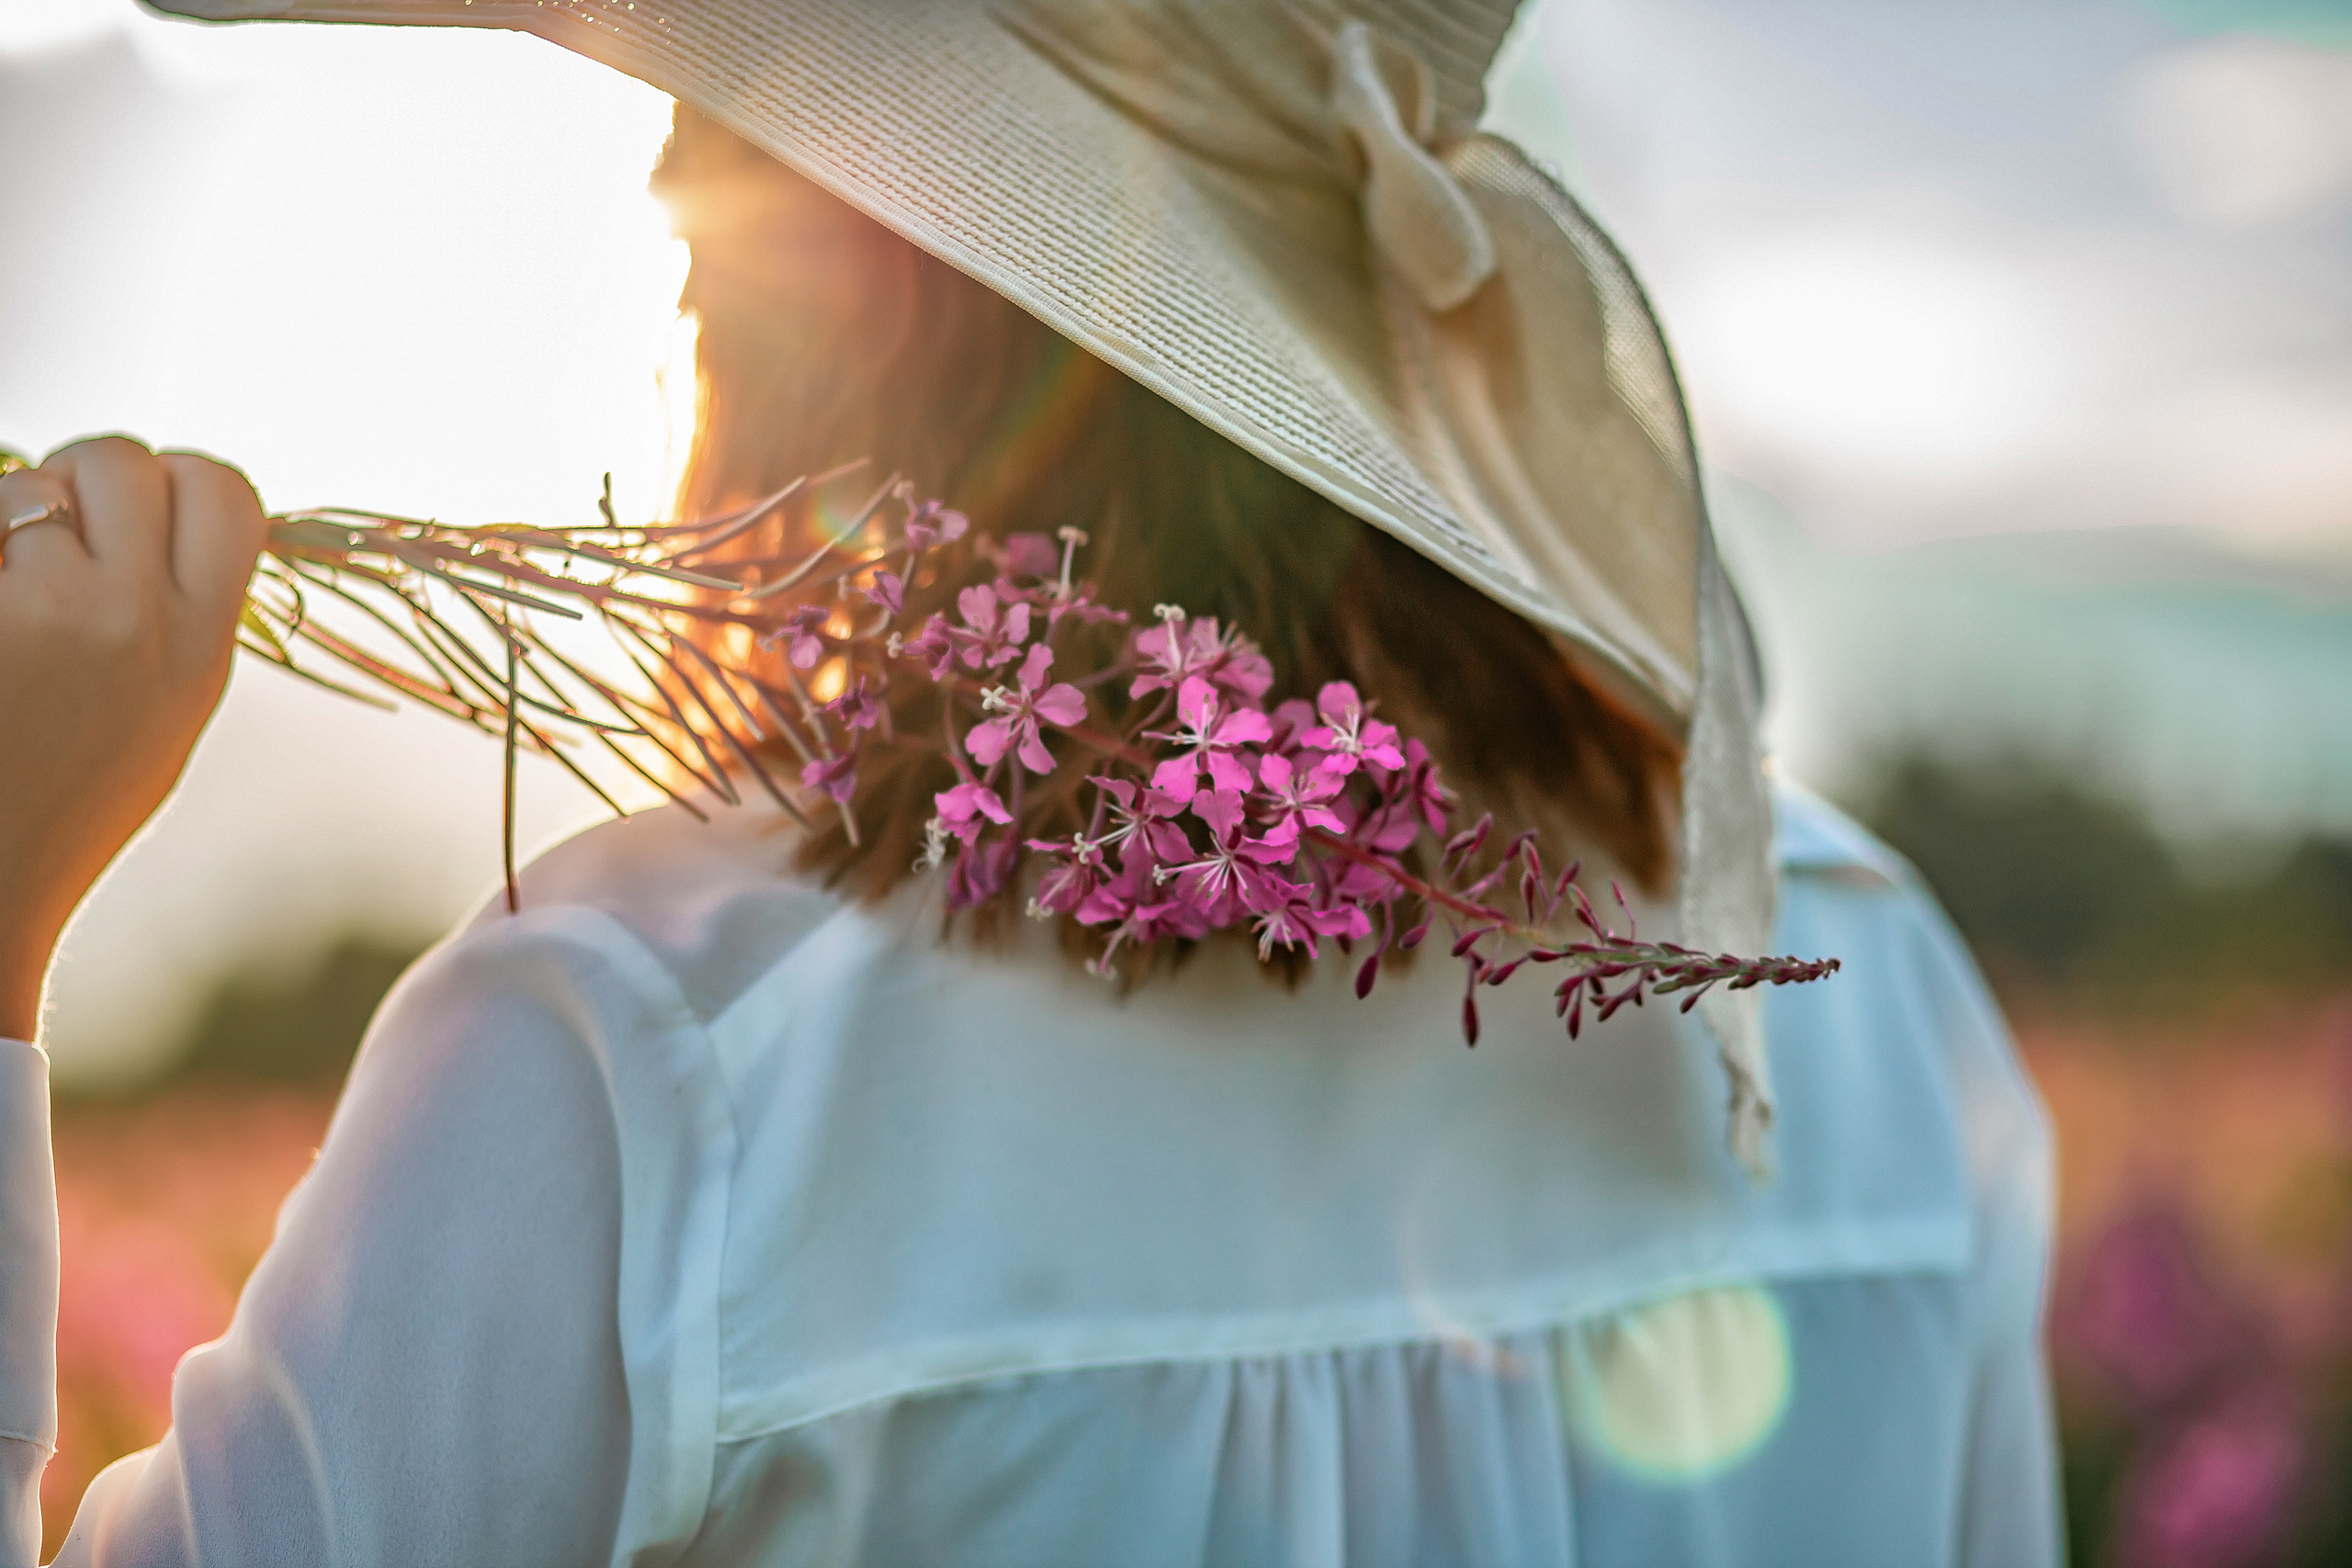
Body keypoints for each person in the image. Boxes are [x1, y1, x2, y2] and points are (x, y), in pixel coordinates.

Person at [0, 4, 2059, 1563]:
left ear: (841, 304)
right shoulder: (1871, 993)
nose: (668, 230)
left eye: (721, 189)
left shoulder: (652, 1048)